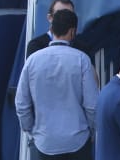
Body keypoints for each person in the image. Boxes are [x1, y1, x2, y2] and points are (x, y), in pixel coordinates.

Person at [16, 9, 97, 160]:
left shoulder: (32, 60)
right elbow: (92, 105)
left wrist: (31, 130)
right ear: (73, 32)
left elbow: (21, 104)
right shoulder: (82, 60)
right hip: (78, 140)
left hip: (45, 142)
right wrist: (91, 130)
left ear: (51, 29)